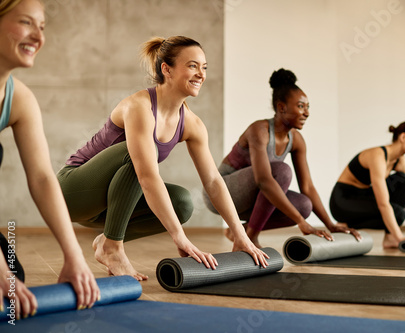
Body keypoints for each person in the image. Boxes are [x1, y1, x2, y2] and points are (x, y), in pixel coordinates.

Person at [57, 36, 269, 281]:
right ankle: (114, 247)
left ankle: (108, 240)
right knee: (140, 156)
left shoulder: (192, 124)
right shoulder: (139, 107)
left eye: (204, 67)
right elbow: (147, 176)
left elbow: (213, 181)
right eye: (192, 65)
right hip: (71, 192)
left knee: (181, 203)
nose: (201, 74)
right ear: (166, 69)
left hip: (105, 208)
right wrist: (179, 237)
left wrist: (239, 233)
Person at [0, 0, 100, 319]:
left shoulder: (19, 98)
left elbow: (43, 178)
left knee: (15, 281)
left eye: (42, 27)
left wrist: (75, 257)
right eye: (26, 23)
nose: (38, 37)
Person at [204, 68, 360, 248]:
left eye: (308, 107)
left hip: (249, 201)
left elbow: (307, 187)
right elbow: (263, 180)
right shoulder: (259, 131)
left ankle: (244, 231)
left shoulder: (297, 141)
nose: (306, 113)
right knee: (281, 171)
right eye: (301, 106)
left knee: (304, 205)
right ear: (281, 107)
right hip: (219, 193)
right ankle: (249, 238)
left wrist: (330, 225)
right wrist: (301, 222)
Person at [329, 120, 405, 248]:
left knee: (403, 186)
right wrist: (400, 237)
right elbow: (383, 204)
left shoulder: (401, 162)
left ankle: (389, 238)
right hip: (343, 201)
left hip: (363, 197)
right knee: (397, 212)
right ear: (403, 137)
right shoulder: (377, 155)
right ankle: (347, 224)